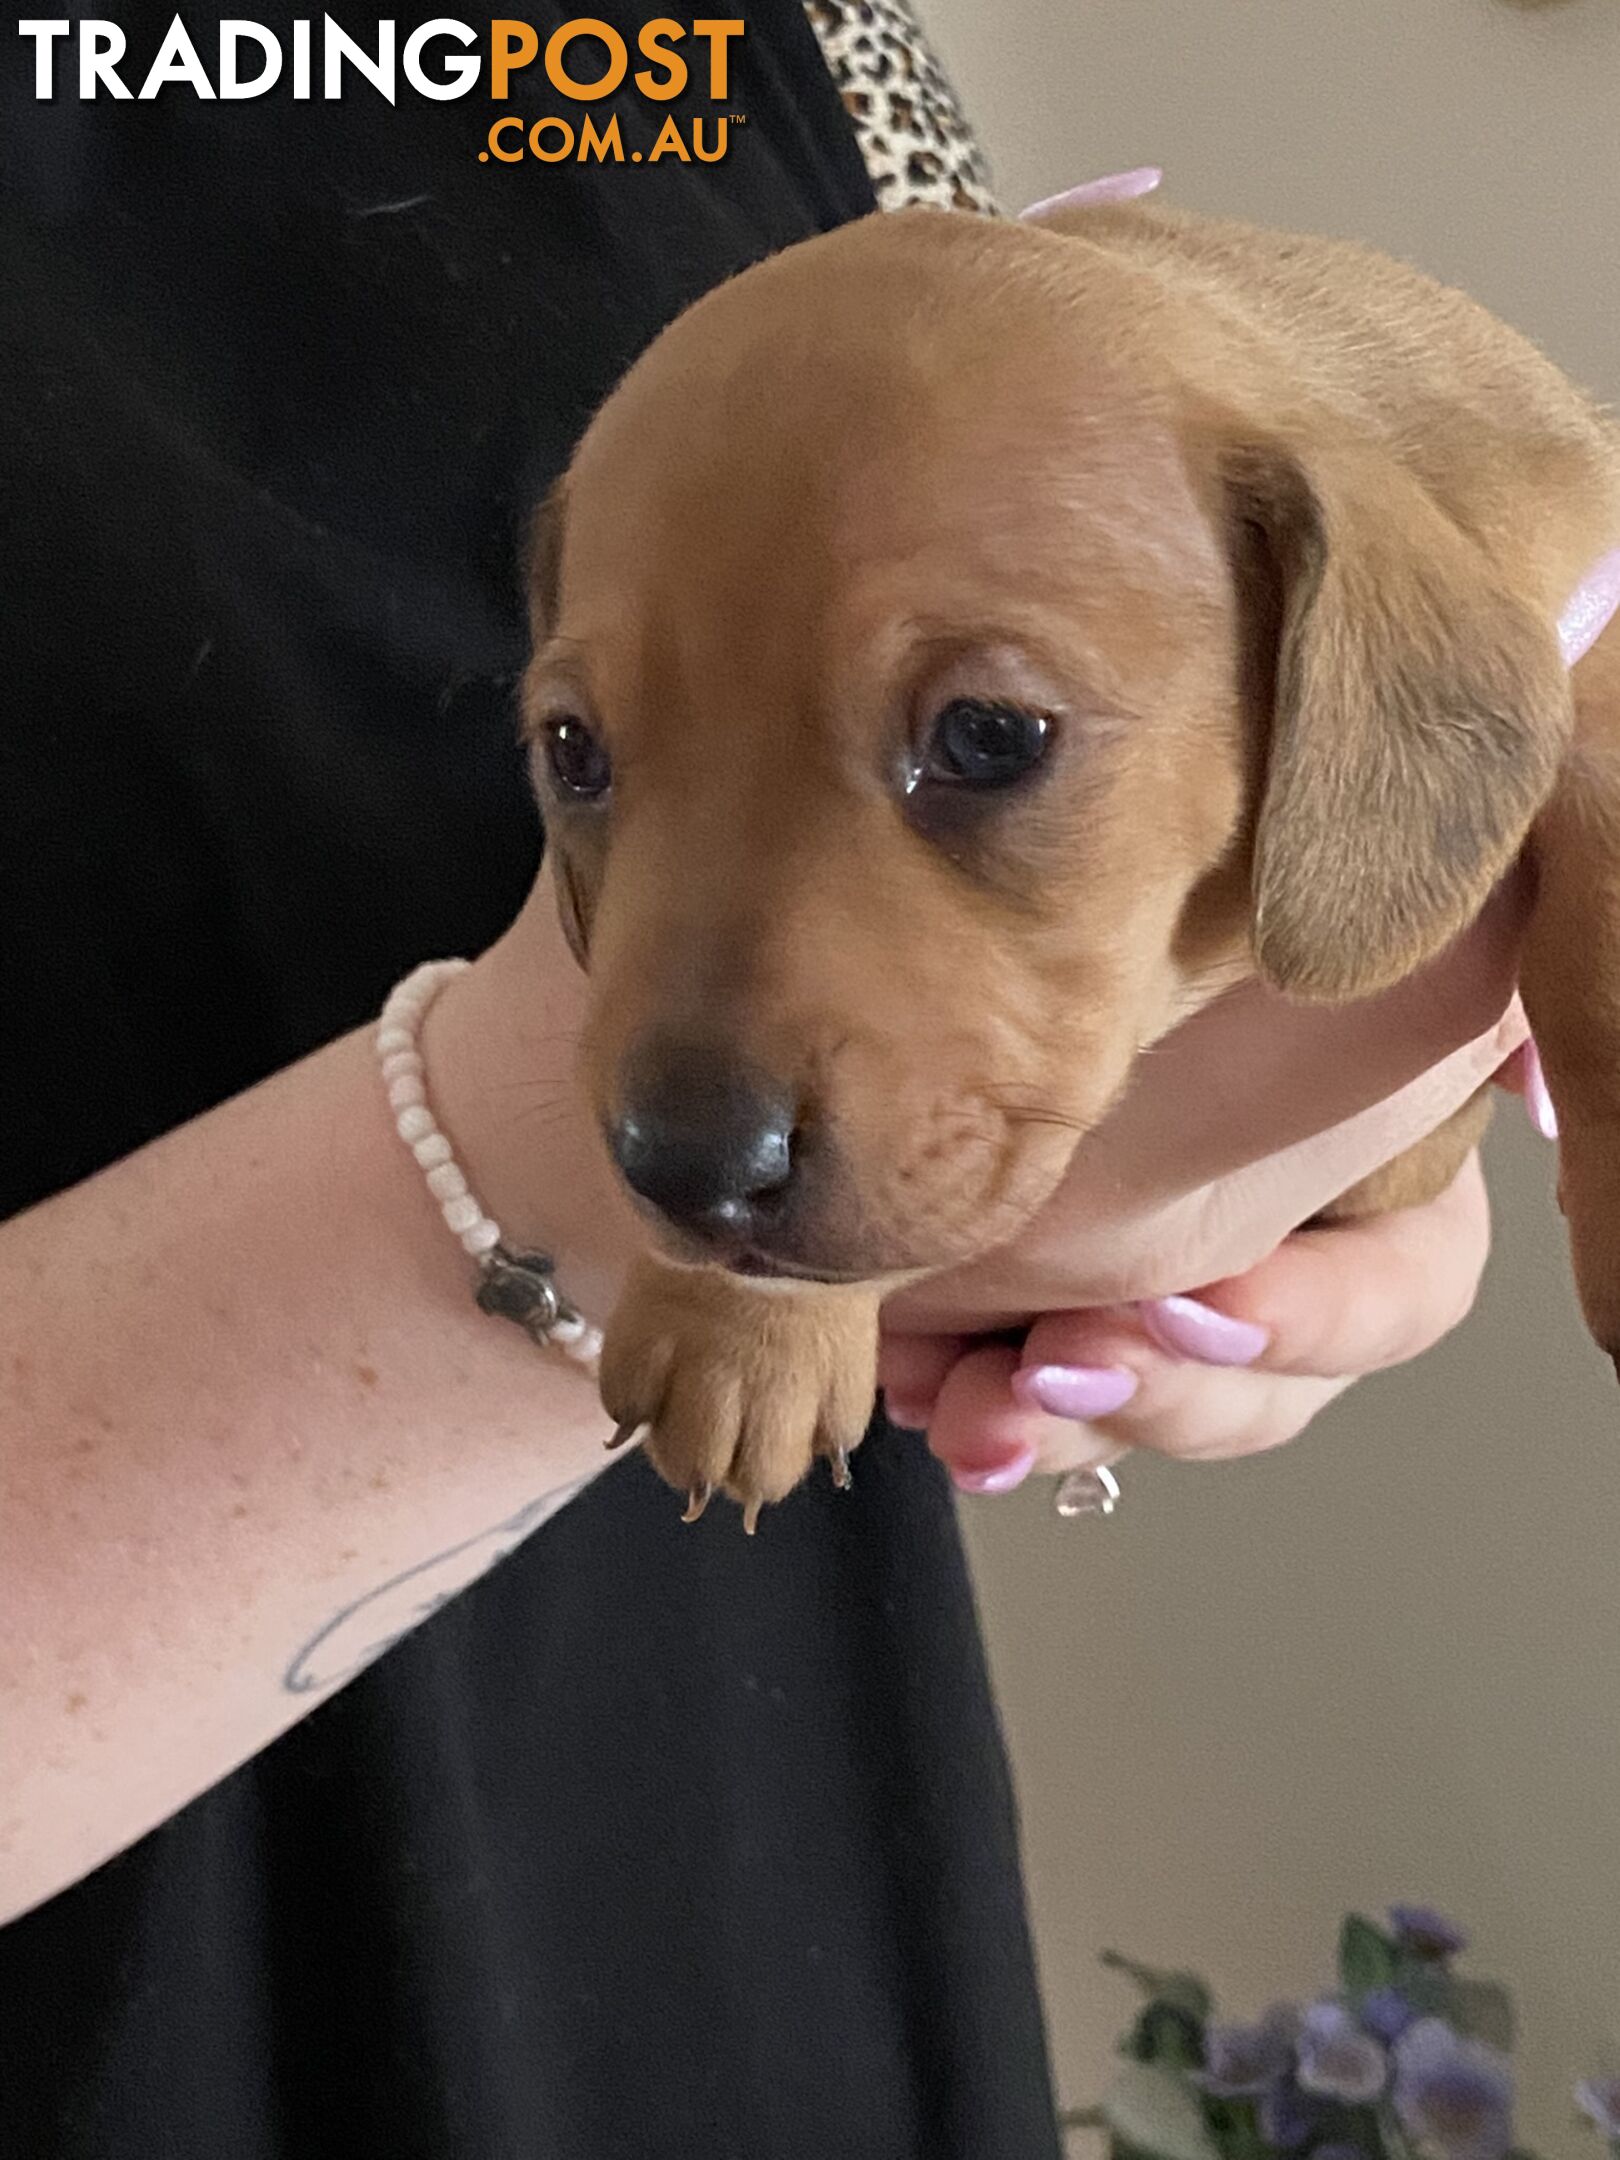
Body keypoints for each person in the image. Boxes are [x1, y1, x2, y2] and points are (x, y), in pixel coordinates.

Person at [0, 4, 1529, 2152]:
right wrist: (578, 1203)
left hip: (750, 1831)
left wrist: (1316, 1159)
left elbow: (1361, 729)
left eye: (984, 741)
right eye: (578, 754)